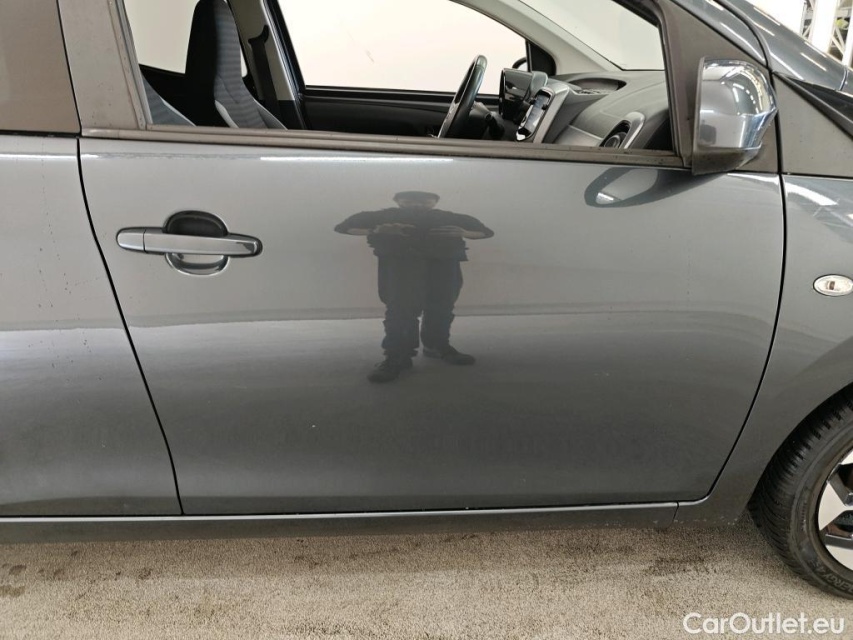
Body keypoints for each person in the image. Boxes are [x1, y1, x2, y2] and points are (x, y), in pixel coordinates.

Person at [335, 191, 494, 383]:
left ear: (435, 202)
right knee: (400, 309)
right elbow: (344, 227)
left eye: (424, 201)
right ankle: (396, 356)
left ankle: (437, 346)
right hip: (401, 266)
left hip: (443, 264)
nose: (417, 204)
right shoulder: (384, 216)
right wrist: (376, 230)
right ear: (397, 201)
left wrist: (464, 233)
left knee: (442, 306)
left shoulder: (450, 217)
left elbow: (485, 232)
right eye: (409, 200)